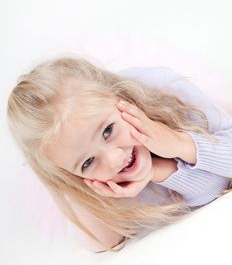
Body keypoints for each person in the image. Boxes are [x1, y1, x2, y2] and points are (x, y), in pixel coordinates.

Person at [7, 56, 232, 253]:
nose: (114, 159)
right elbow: (103, 242)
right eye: (87, 162)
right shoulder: (94, 179)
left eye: (108, 131)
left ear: (120, 98)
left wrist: (179, 144)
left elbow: (223, 182)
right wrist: (156, 171)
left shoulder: (166, 90)